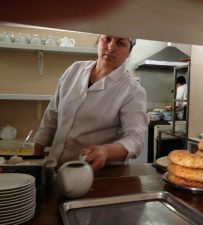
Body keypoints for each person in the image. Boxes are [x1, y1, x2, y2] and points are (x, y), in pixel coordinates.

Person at [33, 34, 149, 171]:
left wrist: (106, 151)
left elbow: (135, 140)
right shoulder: (74, 70)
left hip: (96, 175)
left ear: (129, 52)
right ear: (99, 41)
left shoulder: (132, 91)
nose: (111, 47)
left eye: (120, 43)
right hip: (53, 168)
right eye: (107, 39)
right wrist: (36, 158)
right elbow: (51, 117)